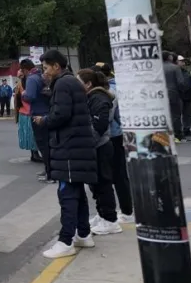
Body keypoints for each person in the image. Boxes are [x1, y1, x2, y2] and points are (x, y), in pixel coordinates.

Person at [36, 49, 98, 259]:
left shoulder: (62, 83)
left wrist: (44, 120)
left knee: (67, 195)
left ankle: (65, 241)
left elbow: (61, 115)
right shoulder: (71, 82)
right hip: (76, 146)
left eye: (46, 68)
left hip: (69, 148)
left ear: (56, 66)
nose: (44, 72)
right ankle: (83, 233)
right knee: (77, 192)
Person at [77, 69, 121, 235]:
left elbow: (99, 126)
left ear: (88, 84)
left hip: (100, 147)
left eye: (79, 82)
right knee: (96, 184)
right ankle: (102, 215)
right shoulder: (92, 97)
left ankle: (110, 220)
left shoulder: (99, 98)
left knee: (103, 183)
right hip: (96, 146)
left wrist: (88, 144)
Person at [93, 62, 133, 224]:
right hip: (117, 135)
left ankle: (124, 211)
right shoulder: (117, 88)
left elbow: (108, 118)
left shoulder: (108, 93)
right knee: (118, 175)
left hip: (111, 137)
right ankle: (124, 210)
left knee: (113, 176)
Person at [22, 60, 52, 182]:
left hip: (38, 115)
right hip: (47, 112)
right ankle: (48, 169)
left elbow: (31, 96)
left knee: (42, 144)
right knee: (48, 144)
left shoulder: (31, 78)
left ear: (25, 69)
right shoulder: (41, 76)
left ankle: (50, 172)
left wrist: (24, 94)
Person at [14, 60, 40, 163]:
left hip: (23, 111)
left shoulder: (23, 82)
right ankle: (35, 154)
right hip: (29, 111)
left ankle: (34, 154)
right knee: (33, 135)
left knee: (29, 135)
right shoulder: (29, 81)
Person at [163, 51, 187, 143]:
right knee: (176, 115)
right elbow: (180, 82)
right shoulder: (175, 68)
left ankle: (165, 135)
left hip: (161, 94)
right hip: (173, 93)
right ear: (169, 57)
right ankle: (177, 136)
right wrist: (182, 91)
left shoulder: (157, 68)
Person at [178, 56, 191, 138]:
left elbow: (190, 81)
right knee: (178, 114)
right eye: (181, 61)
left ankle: (187, 129)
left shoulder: (186, 71)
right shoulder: (175, 71)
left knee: (188, 114)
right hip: (179, 95)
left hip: (188, 95)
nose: (183, 63)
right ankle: (179, 130)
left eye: (183, 61)